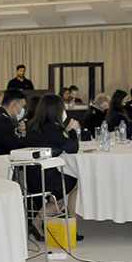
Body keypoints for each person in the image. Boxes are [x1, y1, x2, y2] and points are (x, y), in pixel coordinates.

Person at [23, 94, 80, 240]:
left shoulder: (31, 126)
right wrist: (72, 131)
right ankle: (70, 228)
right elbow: (73, 148)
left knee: (60, 197)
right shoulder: (54, 128)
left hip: (31, 175)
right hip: (47, 176)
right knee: (74, 184)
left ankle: (37, 224)